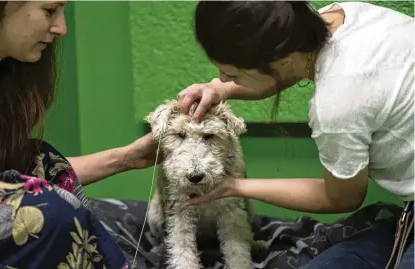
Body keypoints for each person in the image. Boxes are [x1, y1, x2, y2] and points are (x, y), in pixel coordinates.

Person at [177, 1, 414, 269]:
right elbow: (284, 73)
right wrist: (219, 89)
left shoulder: (338, 102)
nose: (221, 77)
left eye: (231, 73)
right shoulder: (342, 15)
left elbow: (343, 197)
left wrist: (234, 186)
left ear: (281, 61)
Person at [0, 1, 158, 268]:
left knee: (41, 158)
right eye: (50, 11)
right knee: (48, 211)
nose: (62, 28)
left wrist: (127, 158)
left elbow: (1, 170)